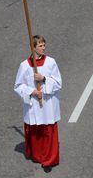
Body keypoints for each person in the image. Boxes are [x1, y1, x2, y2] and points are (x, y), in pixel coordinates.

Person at [14, 35, 62, 170]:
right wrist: (32, 92)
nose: (43, 48)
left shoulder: (51, 62)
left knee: (48, 131)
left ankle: (50, 159)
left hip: (48, 104)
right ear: (32, 47)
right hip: (33, 105)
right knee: (36, 131)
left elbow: (58, 82)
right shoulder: (24, 66)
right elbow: (18, 86)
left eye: (44, 45)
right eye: (40, 46)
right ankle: (38, 156)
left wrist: (44, 79)